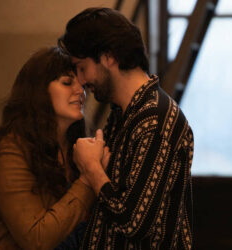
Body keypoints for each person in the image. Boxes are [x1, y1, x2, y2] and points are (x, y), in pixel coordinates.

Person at [58, 7, 194, 249]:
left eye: (82, 67)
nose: (81, 81)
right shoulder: (125, 112)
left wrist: (91, 168)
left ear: (109, 57)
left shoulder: (155, 119)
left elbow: (134, 222)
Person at [0, 47, 109, 249]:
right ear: (39, 91)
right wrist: (89, 175)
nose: (80, 91)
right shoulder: (12, 150)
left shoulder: (75, 146)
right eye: (66, 82)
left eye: (81, 85)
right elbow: (36, 239)